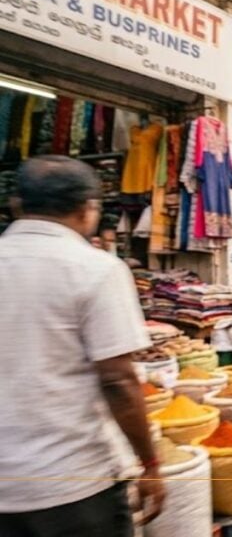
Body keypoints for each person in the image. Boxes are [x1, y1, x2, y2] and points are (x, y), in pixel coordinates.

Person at [0, 156, 165, 536]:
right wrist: (150, 463)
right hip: (73, 484)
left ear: (16, 205)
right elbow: (119, 382)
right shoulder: (95, 268)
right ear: (88, 209)